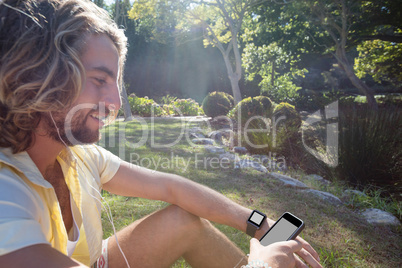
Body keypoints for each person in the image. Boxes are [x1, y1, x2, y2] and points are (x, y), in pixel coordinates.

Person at [0, 1, 322, 267]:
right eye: (99, 80)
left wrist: (258, 224)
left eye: (116, 85)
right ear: (35, 72)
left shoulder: (76, 154)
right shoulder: (6, 192)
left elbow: (171, 186)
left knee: (182, 219)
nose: (114, 103)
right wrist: (263, 265)